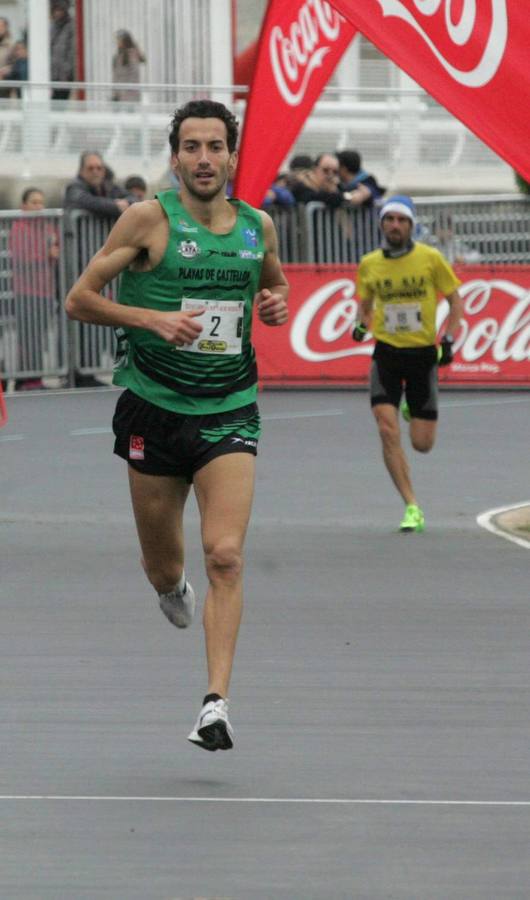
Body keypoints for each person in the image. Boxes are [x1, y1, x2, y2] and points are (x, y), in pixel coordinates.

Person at [65, 99, 289, 751]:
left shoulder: (257, 227)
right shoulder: (147, 221)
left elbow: (271, 288)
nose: (203, 159)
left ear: (232, 155)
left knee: (225, 553)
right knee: (165, 566)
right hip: (152, 409)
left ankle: (215, 705)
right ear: (176, 156)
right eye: (191, 147)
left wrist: (274, 304)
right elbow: (78, 299)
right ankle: (170, 585)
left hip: (228, 409)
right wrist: (150, 320)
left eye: (215, 147)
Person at [352, 195, 463, 533]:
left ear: (411, 225)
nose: (396, 226)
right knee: (387, 430)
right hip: (386, 354)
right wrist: (360, 324)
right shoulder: (370, 263)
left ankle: (411, 410)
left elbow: (456, 303)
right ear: (382, 225)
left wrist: (449, 339)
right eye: (390, 220)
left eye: (402, 220)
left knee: (422, 444)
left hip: (422, 357)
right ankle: (411, 505)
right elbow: (366, 303)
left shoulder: (430, 259)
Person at [9, 187, 60, 390]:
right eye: (34, 202)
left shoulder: (48, 227)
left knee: (39, 337)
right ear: (23, 206)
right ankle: (27, 379)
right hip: (26, 292)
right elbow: (22, 257)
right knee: (29, 337)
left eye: (41, 202)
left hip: (45, 291)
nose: (39, 206)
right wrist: (48, 254)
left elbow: (56, 250)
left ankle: (34, 378)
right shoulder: (19, 227)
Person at [63, 151, 131, 218]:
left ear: (104, 171)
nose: (95, 172)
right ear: (81, 171)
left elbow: (133, 199)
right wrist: (115, 206)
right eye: (90, 168)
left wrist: (126, 203)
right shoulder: (73, 188)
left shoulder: (109, 187)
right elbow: (87, 202)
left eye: (99, 168)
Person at [50, 0, 75, 100]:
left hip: (64, 75)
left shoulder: (71, 26)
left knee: (61, 102)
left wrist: (67, 71)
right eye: (55, 10)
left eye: (60, 10)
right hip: (53, 74)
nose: (57, 13)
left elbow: (72, 51)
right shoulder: (52, 26)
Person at [111, 30, 145, 103]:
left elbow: (133, 76)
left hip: (129, 96)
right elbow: (116, 76)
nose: (117, 42)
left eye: (118, 39)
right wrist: (115, 94)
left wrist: (122, 91)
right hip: (120, 95)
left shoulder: (131, 55)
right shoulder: (120, 55)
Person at [0, 16, 14, 98]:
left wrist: (6, 70)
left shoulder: (11, 45)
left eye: (1, 26)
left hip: (3, 83)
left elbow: (15, 64)